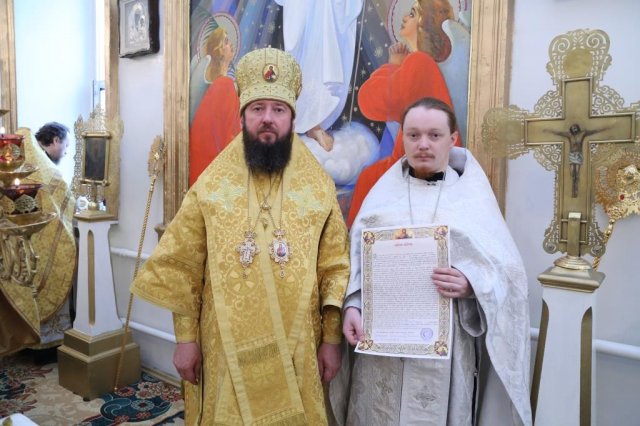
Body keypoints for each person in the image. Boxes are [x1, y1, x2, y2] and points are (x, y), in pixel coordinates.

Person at [130, 47, 350, 425]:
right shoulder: (211, 185)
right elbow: (182, 267)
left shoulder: (318, 187)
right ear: (243, 115)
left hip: (297, 345)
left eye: (278, 110)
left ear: (292, 118)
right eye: (257, 109)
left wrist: (331, 340)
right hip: (223, 347)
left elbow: (335, 267)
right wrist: (186, 339)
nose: (267, 119)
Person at [332, 98, 532, 425]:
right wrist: (353, 305)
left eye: (434, 135)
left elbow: (508, 275)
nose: (423, 144)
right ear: (404, 138)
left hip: (445, 353)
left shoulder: (473, 200)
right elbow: (354, 263)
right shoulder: (380, 197)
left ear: (452, 139)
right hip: (382, 351)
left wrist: (471, 284)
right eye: (413, 135)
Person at [346, 0, 461, 227]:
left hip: (421, 162)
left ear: (425, 22)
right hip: (414, 158)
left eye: (412, 13)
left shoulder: (420, 62)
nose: (405, 18)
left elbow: (371, 101)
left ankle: (358, 241)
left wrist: (392, 65)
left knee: (371, 178)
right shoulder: (420, 62)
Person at [0, 126, 76, 357]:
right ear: (55, 140)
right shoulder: (48, 171)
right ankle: (46, 347)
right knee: (40, 276)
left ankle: (25, 339)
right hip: (40, 239)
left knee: (23, 278)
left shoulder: (24, 165)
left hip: (16, 243)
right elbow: (66, 199)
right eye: (65, 145)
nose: (66, 151)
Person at [189, 24, 240, 185]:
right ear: (219, 50)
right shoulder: (224, 84)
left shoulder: (219, 83)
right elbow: (229, 134)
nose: (230, 44)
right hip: (217, 170)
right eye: (226, 41)